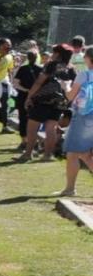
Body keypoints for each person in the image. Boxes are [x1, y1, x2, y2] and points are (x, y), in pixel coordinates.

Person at [20, 43, 74, 162]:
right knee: (51, 128)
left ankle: (28, 154)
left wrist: (29, 97)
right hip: (60, 102)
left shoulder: (51, 65)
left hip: (43, 100)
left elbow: (39, 82)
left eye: (54, 52)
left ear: (58, 54)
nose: (52, 54)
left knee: (32, 126)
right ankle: (47, 155)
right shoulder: (70, 68)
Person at [60, 47, 93, 197]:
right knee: (85, 154)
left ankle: (70, 189)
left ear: (88, 58)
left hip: (83, 116)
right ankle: (69, 189)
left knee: (73, 153)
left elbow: (70, 96)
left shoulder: (84, 75)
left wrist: (65, 85)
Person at [12, 43, 44, 154]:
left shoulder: (22, 69)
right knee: (36, 120)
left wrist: (25, 90)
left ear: (27, 57)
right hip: (37, 98)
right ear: (36, 58)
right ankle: (34, 142)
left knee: (22, 119)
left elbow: (15, 83)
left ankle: (24, 141)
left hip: (23, 96)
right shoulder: (42, 69)